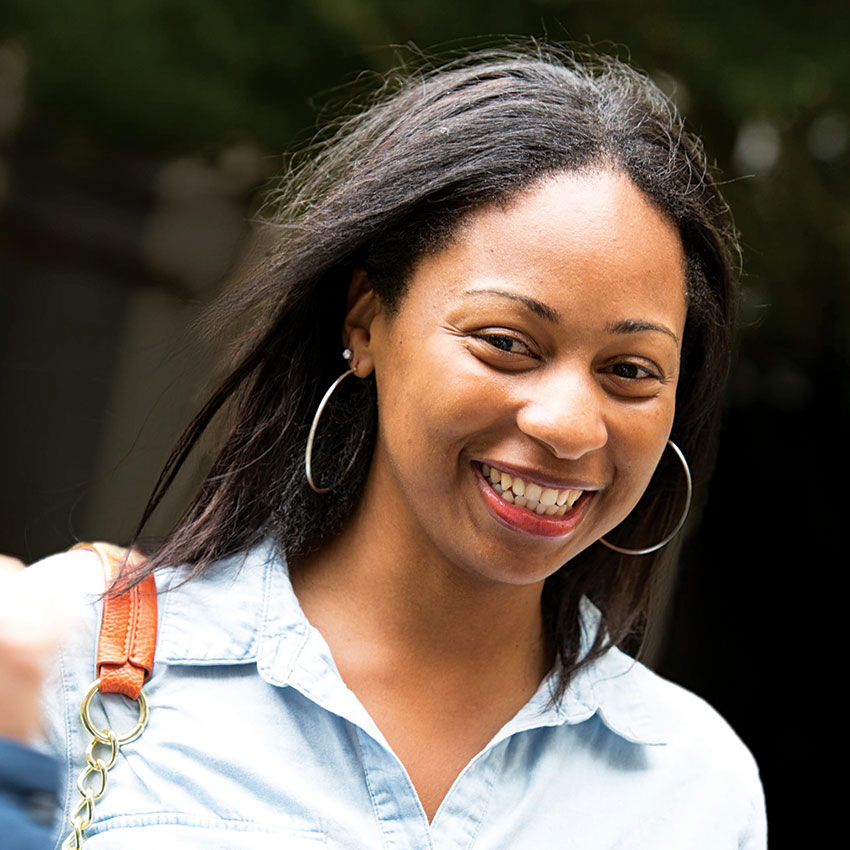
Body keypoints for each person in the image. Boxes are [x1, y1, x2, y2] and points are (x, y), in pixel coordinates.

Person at [1, 46, 766, 848]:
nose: (570, 424)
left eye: (630, 371)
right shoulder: (69, 652)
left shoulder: (694, 786)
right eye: (507, 342)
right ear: (365, 322)